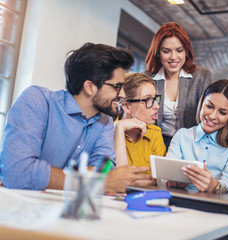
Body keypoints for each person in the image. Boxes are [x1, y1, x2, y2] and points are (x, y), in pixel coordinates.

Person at [0, 43, 151, 192]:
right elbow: (17, 171)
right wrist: (96, 183)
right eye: (117, 87)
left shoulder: (105, 121)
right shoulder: (37, 101)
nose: (123, 94)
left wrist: (47, 176)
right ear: (89, 87)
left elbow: (104, 168)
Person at [167, 79, 228, 193]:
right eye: (209, 106)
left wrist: (214, 185)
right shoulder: (182, 136)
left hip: (217, 205)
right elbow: (166, 173)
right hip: (180, 200)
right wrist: (170, 181)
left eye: (222, 112)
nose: (212, 116)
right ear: (202, 103)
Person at [145, 22, 212, 148]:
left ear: (186, 51)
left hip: (192, 145)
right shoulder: (147, 79)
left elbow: (207, 117)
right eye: (166, 51)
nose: (173, 57)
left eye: (179, 50)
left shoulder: (202, 77)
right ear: (158, 52)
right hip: (155, 144)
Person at [114, 73, 166, 173]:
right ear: (126, 106)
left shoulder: (155, 133)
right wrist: (119, 128)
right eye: (147, 99)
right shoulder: (106, 133)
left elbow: (160, 178)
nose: (156, 106)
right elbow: (120, 179)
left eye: (154, 99)